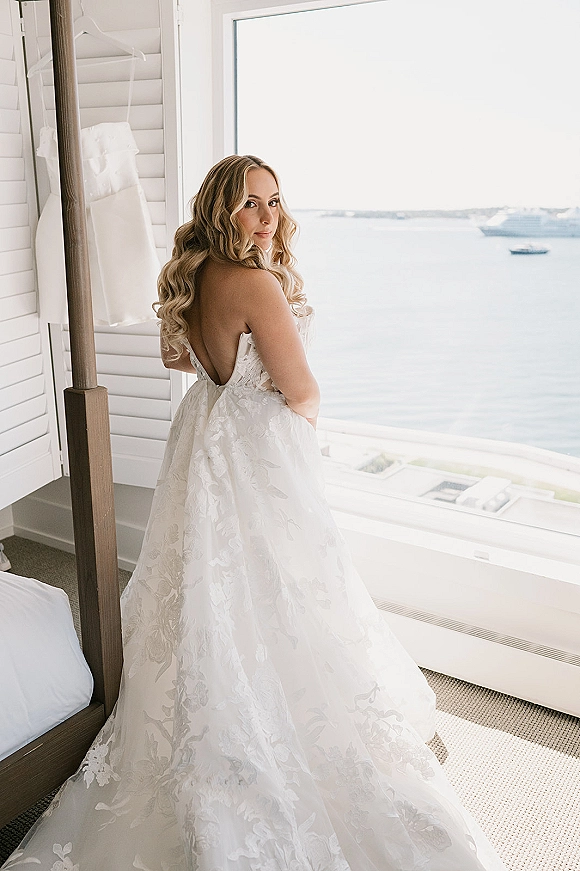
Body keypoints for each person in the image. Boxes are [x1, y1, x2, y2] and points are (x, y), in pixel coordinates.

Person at [3, 155, 508, 870]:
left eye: (274, 201)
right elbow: (303, 391)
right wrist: (276, 407)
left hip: (204, 431)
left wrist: (230, 376)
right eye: (250, 203)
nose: (268, 216)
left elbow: (180, 358)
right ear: (220, 208)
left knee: (208, 573)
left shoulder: (191, 272)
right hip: (256, 441)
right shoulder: (256, 283)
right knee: (284, 579)